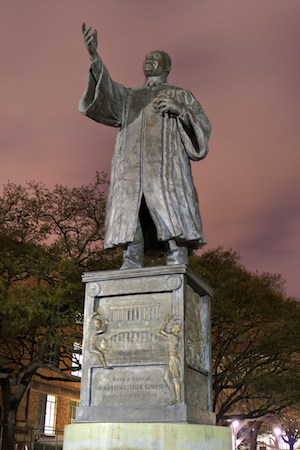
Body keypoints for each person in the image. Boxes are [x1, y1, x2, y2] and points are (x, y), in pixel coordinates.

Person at [80, 23, 211, 269]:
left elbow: (203, 129)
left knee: (168, 206)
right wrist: (95, 57)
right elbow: (106, 93)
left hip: (165, 168)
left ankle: (176, 257)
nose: (149, 61)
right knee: (131, 209)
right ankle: (131, 259)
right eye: (146, 58)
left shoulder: (180, 94)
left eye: (155, 58)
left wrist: (181, 111)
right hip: (129, 167)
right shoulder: (129, 96)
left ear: (167, 67)